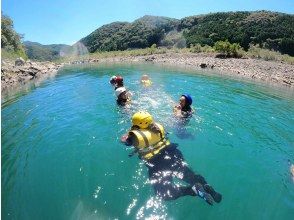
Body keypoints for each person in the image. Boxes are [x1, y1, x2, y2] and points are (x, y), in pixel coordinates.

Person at [121, 111, 222, 205]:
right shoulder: (158, 126)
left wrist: (131, 132)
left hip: (156, 162)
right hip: (173, 153)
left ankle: (192, 190)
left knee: (164, 194)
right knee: (189, 175)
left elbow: (123, 140)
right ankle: (205, 186)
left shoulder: (135, 137)